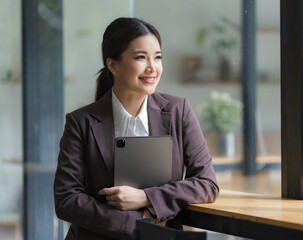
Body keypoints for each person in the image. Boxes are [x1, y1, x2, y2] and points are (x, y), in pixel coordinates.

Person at [53, 17, 219, 240]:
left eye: (157, 57)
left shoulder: (179, 111)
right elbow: (67, 199)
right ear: (113, 65)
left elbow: (206, 184)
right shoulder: (81, 122)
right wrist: (135, 227)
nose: (152, 68)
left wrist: (146, 197)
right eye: (141, 57)